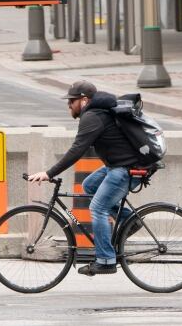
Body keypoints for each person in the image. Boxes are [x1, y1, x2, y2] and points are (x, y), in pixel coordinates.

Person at [28, 80, 140, 276]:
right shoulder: (98, 113)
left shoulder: (92, 117)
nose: (69, 105)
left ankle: (106, 260)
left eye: (72, 101)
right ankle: (129, 219)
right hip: (119, 165)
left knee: (98, 208)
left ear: (84, 100)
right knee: (89, 185)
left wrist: (49, 173)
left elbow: (77, 150)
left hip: (125, 168)